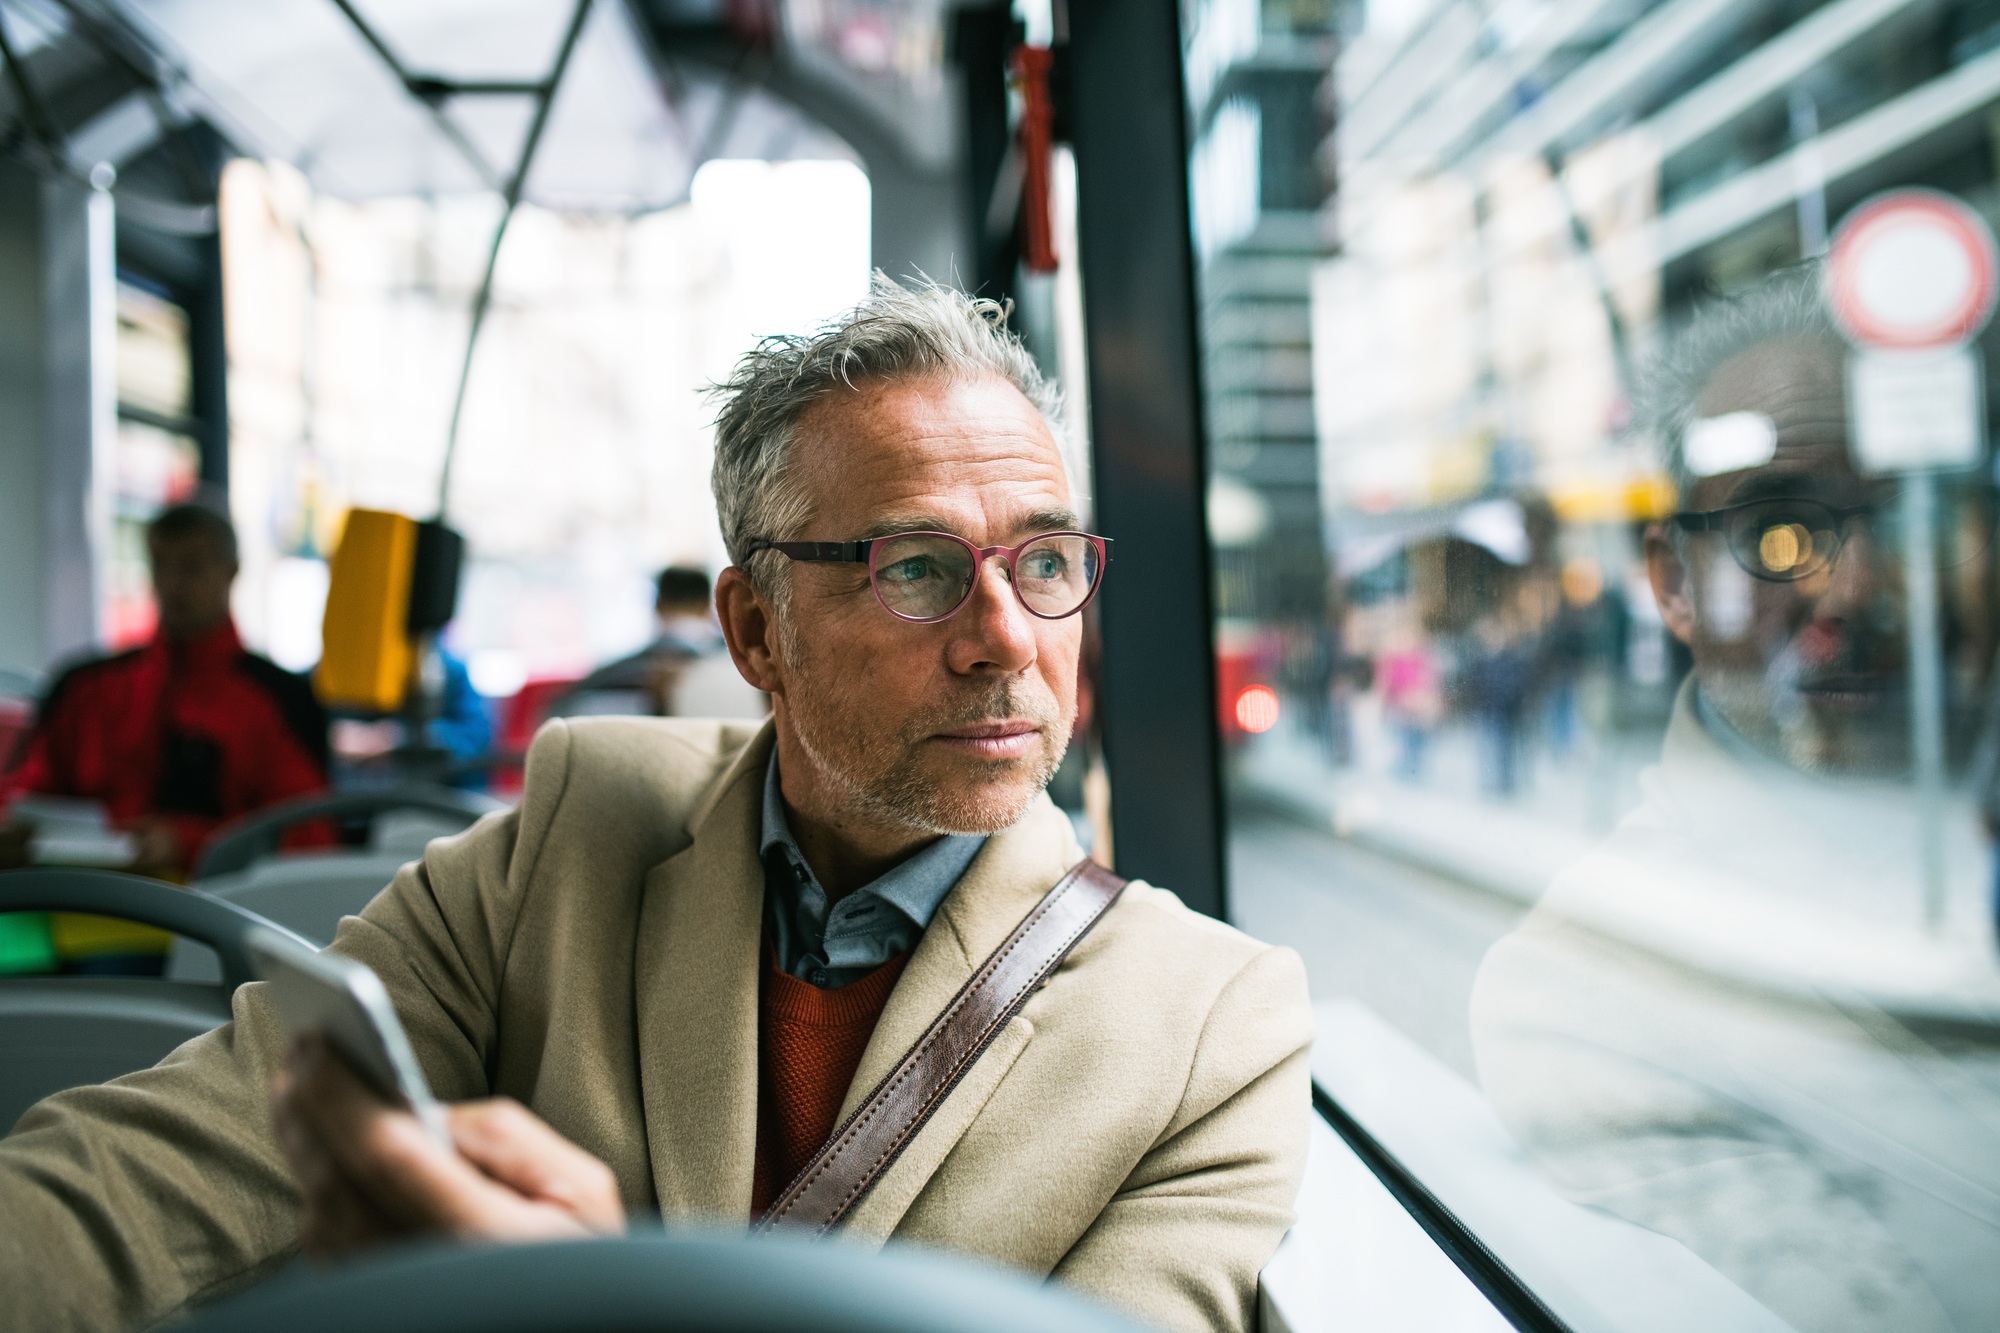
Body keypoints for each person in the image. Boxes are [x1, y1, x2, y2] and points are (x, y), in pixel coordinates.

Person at [0, 280, 1313, 1333]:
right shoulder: (564, 846)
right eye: (916, 567)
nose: (1006, 639)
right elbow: (155, 1173)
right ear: (757, 630)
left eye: (1043, 561)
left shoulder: (1210, 1029)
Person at [1470, 267, 2000, 1333]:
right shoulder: (1571, 988)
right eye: (1775, 531)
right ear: (1669, 581)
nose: (1850, 591)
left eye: (1906, 518)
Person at [1, 503, 331, 881]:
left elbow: (309, 838)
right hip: (77, 906)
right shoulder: (84, 688)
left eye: (192, 566)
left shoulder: (280, 700)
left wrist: (187, 844)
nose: (173, 584)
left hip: (215, 915)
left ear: (231, 571)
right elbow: (29, 798)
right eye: (161, 565)